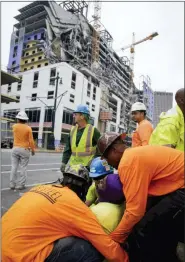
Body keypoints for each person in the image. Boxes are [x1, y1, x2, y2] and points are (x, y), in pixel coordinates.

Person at [2, 164, 128, 262]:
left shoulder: (40, 187)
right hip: (19, 258)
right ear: (83, 188)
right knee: (91, 249)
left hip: (4, 248)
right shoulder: (74, 204)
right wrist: (124, 259)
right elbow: (103, 243)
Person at [97, 132, 184, 262]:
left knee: (144, 230)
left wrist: (114, 239)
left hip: (181, 190)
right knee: (158, 225)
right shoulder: (135, 154)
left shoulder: (127, 163)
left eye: (106, 159)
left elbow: (135, 211)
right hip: (178, 184)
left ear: (114, 151)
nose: (108, 163)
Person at [60, 105, 101, 172]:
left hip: (87, 168)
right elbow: (68, 148)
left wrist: (94, 160)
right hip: (73, 168)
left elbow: (101, 149)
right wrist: (64, 162)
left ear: (82, 116)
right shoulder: (73, 130)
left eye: (76, 114)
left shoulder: (93, 130)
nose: (74, 116)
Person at [10, 111, 35, 190]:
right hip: (24, 149)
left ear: (18, 119)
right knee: (23, 167)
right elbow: (31, 141)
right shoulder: (28, 128)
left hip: (15, 148)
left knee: (14, 167)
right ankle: (21, 185)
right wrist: (33, 150)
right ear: (25, 120)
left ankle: (12, 184)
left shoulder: (14, 126)